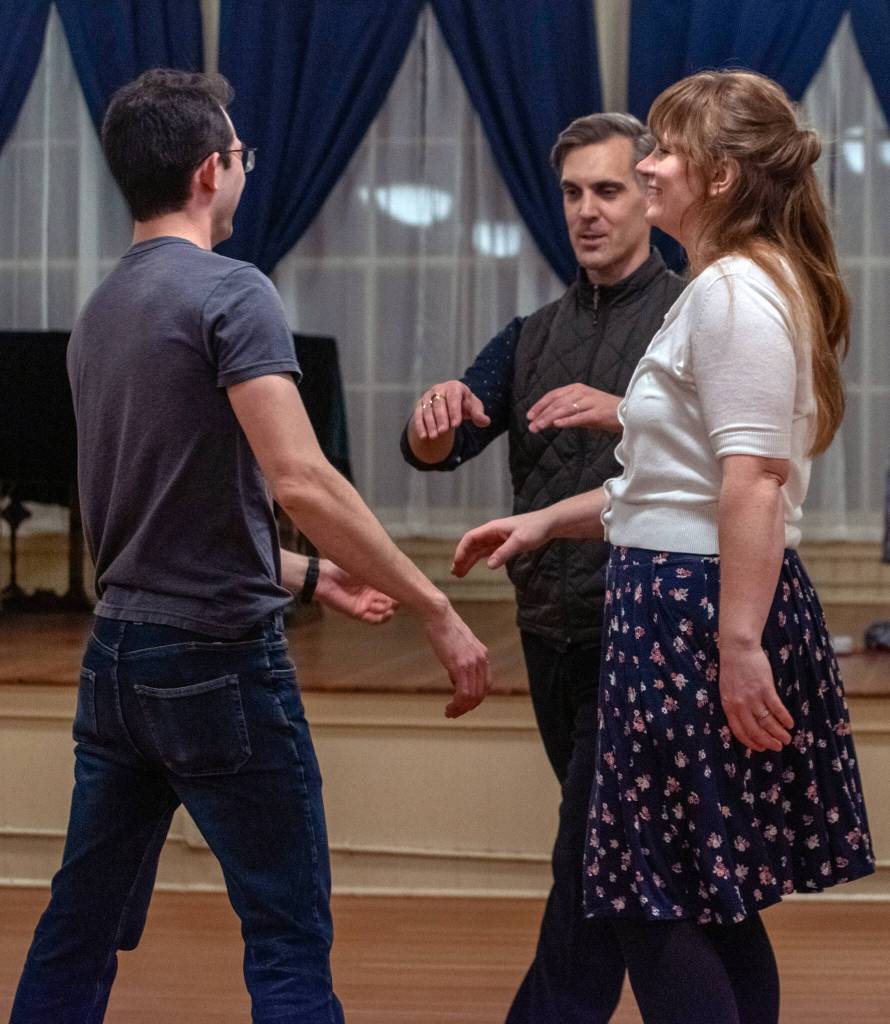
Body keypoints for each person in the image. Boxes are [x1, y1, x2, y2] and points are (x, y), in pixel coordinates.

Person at [10, 69, 490, 1024]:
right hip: (217, 663)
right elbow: (301, 480)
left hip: (118, 661)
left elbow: (150, 527)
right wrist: (439, 609)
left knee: (79, 924)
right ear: (208, 172)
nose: (244, 172)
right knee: (285, 935)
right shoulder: (233, 292)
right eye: (241, 156)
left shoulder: (100, 314)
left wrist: (317, 577)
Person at [453, 70, 874, 1024]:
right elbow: (672, 483)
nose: (647, 165)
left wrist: (737, 645)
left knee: (646, 893)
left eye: (665, 151)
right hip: (676, 599)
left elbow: (754, 484)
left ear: (720, 177)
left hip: (691, 612)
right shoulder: (724, 285)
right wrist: (546, 521)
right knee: (700, 896)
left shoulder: (732, 293)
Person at [402, 114, 684, 1023]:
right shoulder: (530, 334)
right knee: (624, 861)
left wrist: (628, 409)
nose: (587, 212)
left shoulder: (691, 314)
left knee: (590, 857)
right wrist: (431, 420)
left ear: (649, 193)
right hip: (551, 635)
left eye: (607, 190)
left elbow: (734, 456)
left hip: (647, 632)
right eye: (573, 193)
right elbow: (438, 448)